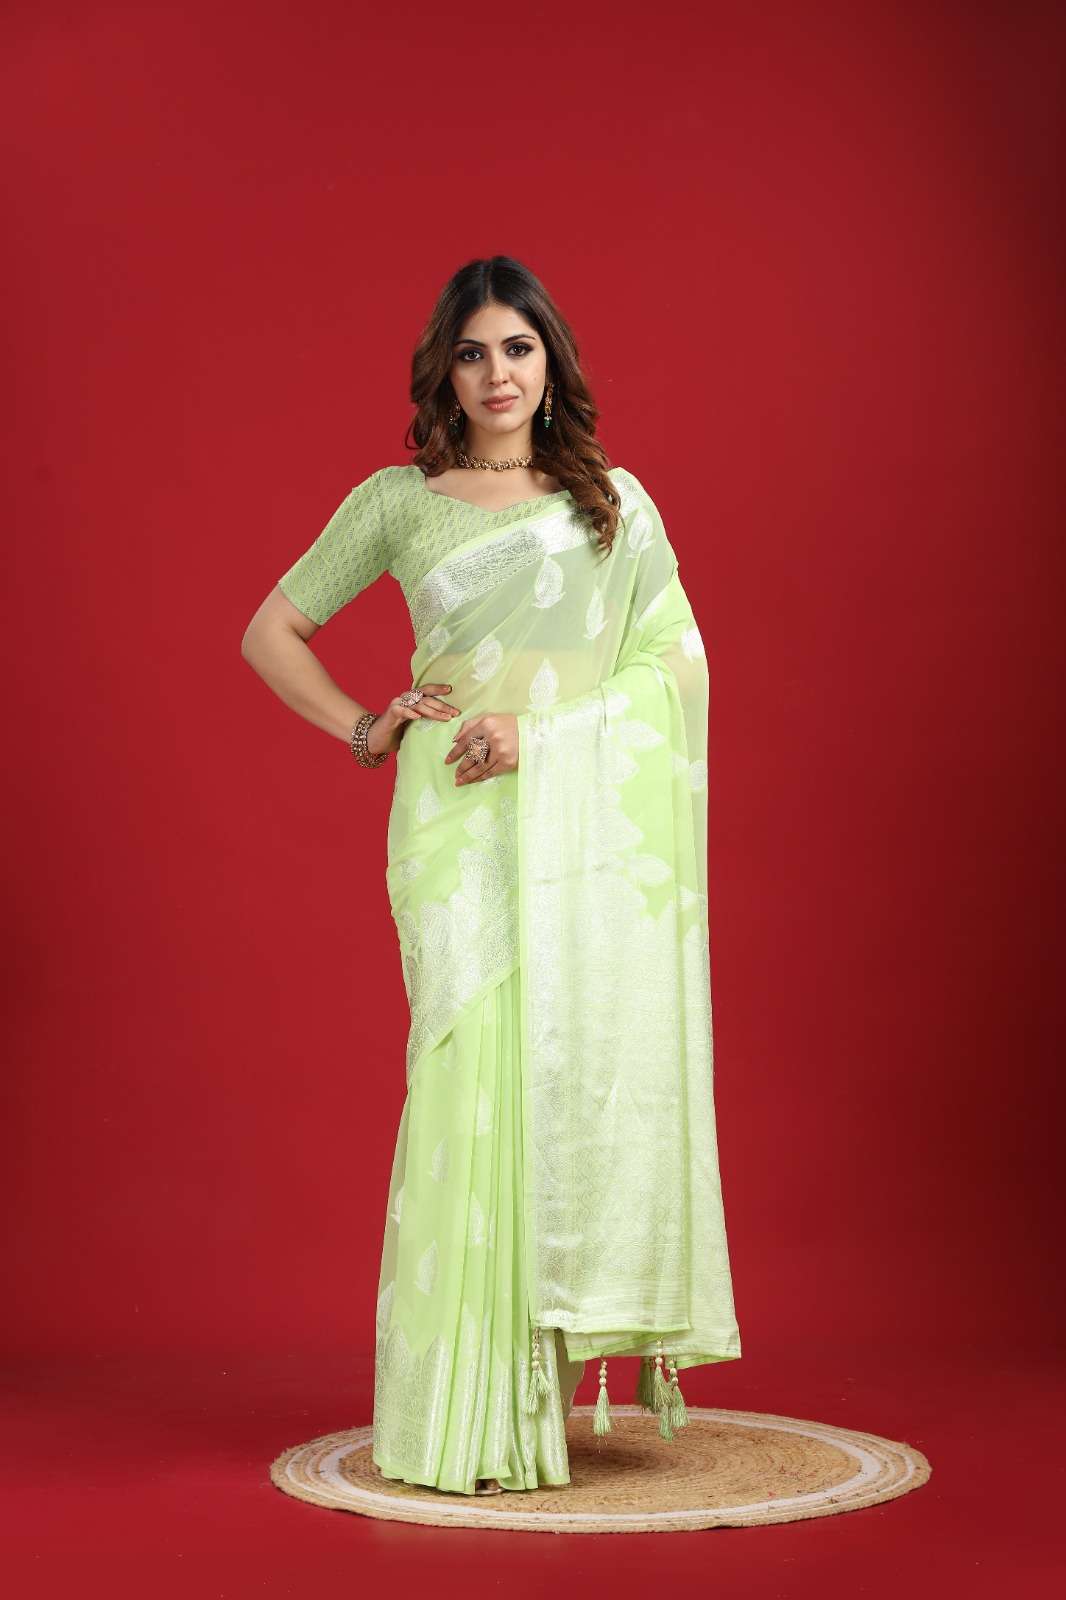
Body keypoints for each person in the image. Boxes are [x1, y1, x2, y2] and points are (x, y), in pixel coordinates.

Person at [241, 255, 741, 1498]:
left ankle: (528, 1408)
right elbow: (270, 631)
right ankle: (453, 1417)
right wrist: (369, 726)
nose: (498, 373)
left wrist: (541, 737)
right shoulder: (398, 502)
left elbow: (674, 669)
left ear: (550, 364)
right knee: (467, 1078)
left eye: (518, 348)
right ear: (445, 375)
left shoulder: (612, 505)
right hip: (454, 826)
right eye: (473, 353)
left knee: (556, 1075)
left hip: (577, 829)